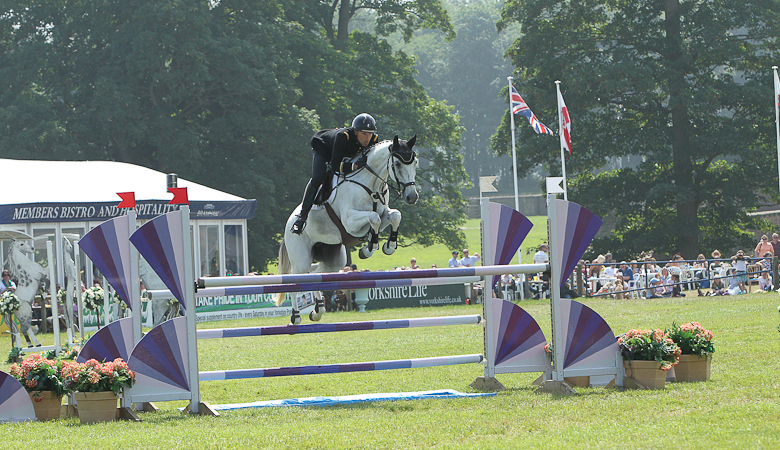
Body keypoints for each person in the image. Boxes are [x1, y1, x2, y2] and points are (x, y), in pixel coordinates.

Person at [291, 113, 380, 234]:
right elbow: (335, 165)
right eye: (364, 134)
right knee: (318, 178)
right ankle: (301, 217)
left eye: (370, 134)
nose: (367, 138)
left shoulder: (374, 139)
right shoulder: (343, 136)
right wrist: (353, 166)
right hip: (324, 148)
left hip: (344, 154)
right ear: (356, 132)